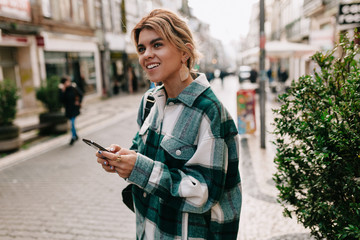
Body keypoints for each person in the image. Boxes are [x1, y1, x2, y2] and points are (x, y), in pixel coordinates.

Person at [95, 9, 242, 239]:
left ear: (184, 51)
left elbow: (203, 192)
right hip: (148, 230)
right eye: (142, 48)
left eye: (157, 45)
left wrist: (139, 169)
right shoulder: (149, 102)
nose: (146, 55)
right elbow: (141, 154)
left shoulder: (208, 111)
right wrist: (122, 160)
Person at [59, 75, 83, 145]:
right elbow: (61, 100)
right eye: (66, 82)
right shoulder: (62, 90)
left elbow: (81, 94)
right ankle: (75, 135)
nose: (67, 83)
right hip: (68, 110)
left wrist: (79, 101)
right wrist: (62, 91)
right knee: (72, 123)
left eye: (68, 81)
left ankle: (73, 137)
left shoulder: (73, 88)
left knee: (72, 123)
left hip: (74, 108)